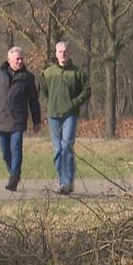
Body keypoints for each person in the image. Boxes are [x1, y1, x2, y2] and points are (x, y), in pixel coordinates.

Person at [0, 46, 41, 191]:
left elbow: (33, 101)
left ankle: (14, 176)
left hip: (18, 119)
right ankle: (13, 173)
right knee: (6, 152)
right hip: (1, 119)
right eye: (17, 59)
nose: (20, 61)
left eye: (21, 59)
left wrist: (36, 121)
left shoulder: (28, 78)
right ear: (9, 60)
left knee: (16, 147)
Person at [39, 41, 90, 194]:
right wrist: (48, 104)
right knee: (57, 150)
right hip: (53, 116)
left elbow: (87, 91)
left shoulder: (78, 72)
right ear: (55, 53)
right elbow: (42, 92)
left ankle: (68, 181)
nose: (63, 54)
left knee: (66, 146)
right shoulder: (48, 73)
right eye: (60, 51)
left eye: (65, 51)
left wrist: (75, 103)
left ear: (70, 53)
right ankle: (62, 182)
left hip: (70, 115)